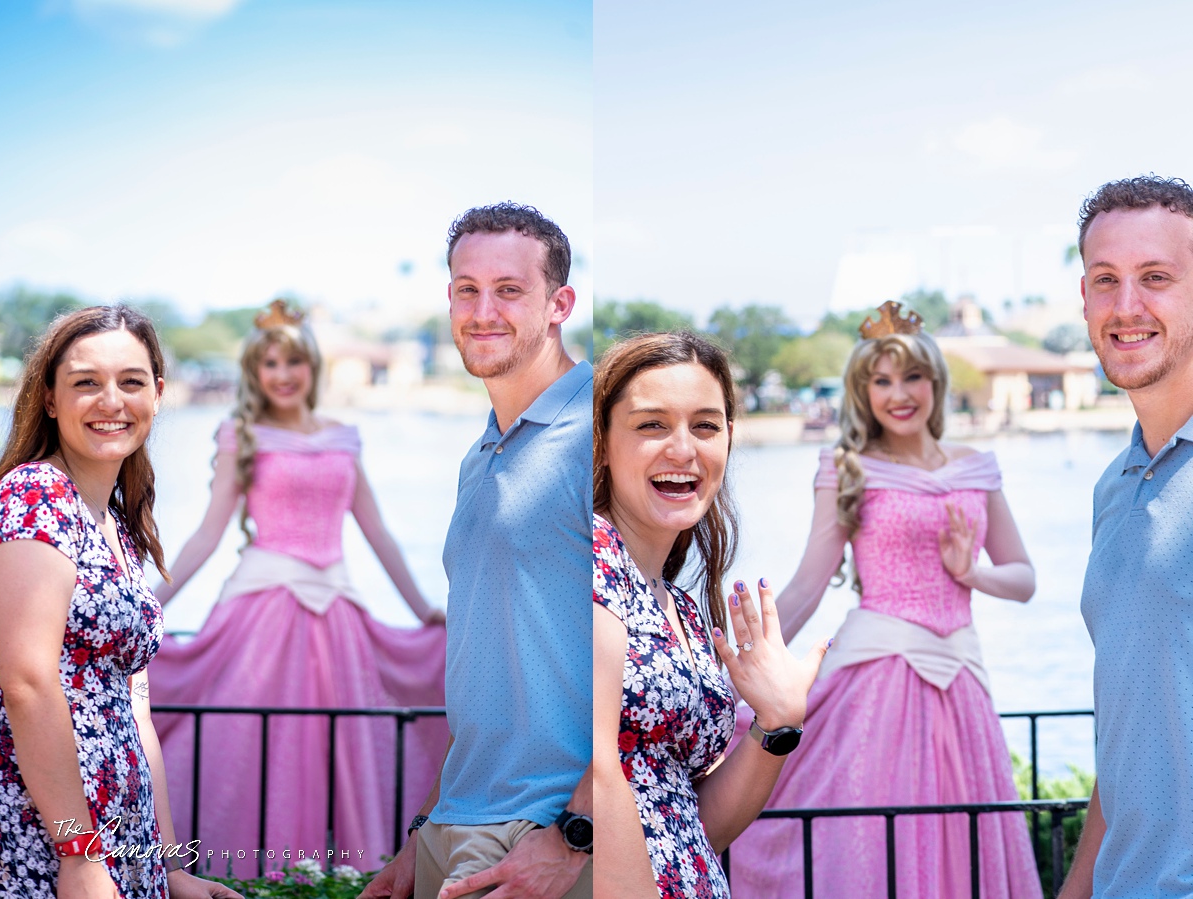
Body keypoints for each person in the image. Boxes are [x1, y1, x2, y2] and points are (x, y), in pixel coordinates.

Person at [730, 301, 1042, 898]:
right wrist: (742, 669)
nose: (899, 394)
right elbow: (809, 584)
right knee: (870, 844)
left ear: (935, 383)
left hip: (962, 682)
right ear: (863, 390)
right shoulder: (848, 468)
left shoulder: (977, 467)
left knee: (961, 844)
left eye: (912, 377)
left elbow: (1024, 578)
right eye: (881, 381)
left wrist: (969, 573)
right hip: (877, 679)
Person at [147, 300, 448, 878]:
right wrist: (145, 606)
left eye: (294, 362)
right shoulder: (240, 434)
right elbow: (208, 535)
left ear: (313, 367)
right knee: (247, 744)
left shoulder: (345, 437)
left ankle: (342, 875)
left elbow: (377, 530)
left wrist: (421, 608)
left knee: (341, 747)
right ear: (255, 374)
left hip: (337, 613)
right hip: (261, 609)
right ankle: (235, 872)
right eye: (270, 364)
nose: (283, 374)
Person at [360, 203, 593, 899]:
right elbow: (483, 666)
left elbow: (649, 661)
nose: (482, 309)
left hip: (545, 837)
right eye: (467, 288)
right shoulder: (479, 455)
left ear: (560, 304)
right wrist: (426, 829)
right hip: (457, 830)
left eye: (510, 289)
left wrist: (575, 834)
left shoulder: (601, 434)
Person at [0, 305, 240, 899]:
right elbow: (26, 682)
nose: (111, 401)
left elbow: (136, 709)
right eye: (85, 382)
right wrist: (77, 852)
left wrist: (172, 866)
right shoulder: (36, 495)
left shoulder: (119, 527)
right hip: (45, 836)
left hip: (119, 846)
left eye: (130, 382)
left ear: (157, 395)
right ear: (50, 399)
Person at [592, 331, 829, 898]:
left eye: (704, 425)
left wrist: (776, 726)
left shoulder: (685, 610)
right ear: (600, 441)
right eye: (651, 425)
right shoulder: (587, 557)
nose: (683, 449)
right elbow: (595, 773)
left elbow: (692, 824)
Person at [1057, 176, 1193, 898]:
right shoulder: (1115, 487)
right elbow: (1130, 736)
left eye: (1157, 278)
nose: (1127, 305)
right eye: (1106, 280)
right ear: (1084, 301)